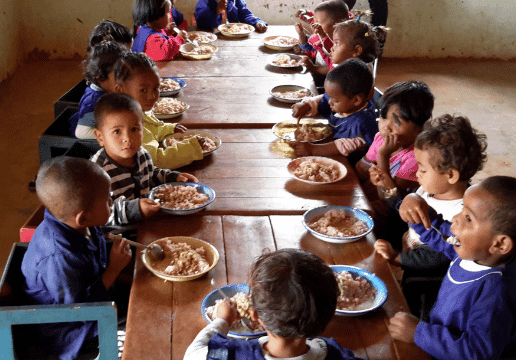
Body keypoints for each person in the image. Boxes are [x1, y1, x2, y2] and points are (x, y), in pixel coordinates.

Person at [387, 176, 516, 359]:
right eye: (462, 209)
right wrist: (416, 207)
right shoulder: (478, 251)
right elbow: (440, 233)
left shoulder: (495, 293)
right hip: (438, 334)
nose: (455, 218)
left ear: (500, 244)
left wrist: (419, 333)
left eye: (468, 218)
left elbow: (477, 352)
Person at [374, 114, 487, 316]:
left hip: (427, 282)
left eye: (423, 169)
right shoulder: (431, 189)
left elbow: (438, 256)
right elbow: (408, 209)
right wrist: (391, 189)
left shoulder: (462, 214)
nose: (417, 174)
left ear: (451, 175)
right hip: (407, 260)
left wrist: (397, 257)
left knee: (411, 313)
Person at [21, 156, 133, 360]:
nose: (112, 201)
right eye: (108, 200)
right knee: (136, 334)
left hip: (100, 301)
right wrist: (114, 269)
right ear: (84, 217)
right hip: (71, 332)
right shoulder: (58, 257)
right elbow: (79, 309)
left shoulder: (77, 223)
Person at [184, 249, 362, 360]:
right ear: (329, 314)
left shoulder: (231, 354)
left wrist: (223, 320)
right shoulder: (334, 353)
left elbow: (193, 353)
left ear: (255, 316)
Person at [90, 92, 198, 231]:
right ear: (100, 137)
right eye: (117, 132)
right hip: (120, 239)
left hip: (148, 223)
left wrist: (172, 177)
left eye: (134, 129)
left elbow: (151, 174)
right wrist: (135, 209)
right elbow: (99, 216)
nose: (128, 138)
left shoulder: (141, 153)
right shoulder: (96, 173)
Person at [355, 80, 434, 241]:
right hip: (365, 200)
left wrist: (383, 156)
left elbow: (387, 202)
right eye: (383, 117)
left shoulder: (416, 158)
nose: (386, 127)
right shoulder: (380, 138)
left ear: (419, 129)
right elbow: (359, 171)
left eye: (397, 122)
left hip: (390, 220)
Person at [112, 51, 206, 169]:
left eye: (156, 88)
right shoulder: (127, 127)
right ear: (120, 90)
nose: (152, 96)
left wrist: (169, 129)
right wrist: (191, 148)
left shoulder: (137, 110)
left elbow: (151, 129)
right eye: (143, 90)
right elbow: (156, 161)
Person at [291, 58, 379, 165]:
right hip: (331, 147)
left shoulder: (363, 121)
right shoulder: (346, 103)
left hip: (350, 167)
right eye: (330, 97)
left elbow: (344, 145)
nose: (330, 102)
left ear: (356, 100)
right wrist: (307, 105)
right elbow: (325, 99)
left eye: (335, 100)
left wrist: (312, 149)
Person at [300, 15, 388, 88]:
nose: (332, 48)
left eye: (337, 43)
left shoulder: (353, 77)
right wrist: (322, 36)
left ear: (357, 50)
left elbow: (332, 103)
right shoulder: (348, 62)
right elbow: (331, 62)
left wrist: (315, 104)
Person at [72, 41, 129, 139]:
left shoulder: (107, 89)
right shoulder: (94, 102)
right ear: (100, 78)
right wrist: (113, 135)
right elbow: (81, 133)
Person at [294, 0, 350, 74]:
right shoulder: (320, 36)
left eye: (318, 23)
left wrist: (313, 68)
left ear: (337, 24)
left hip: (329, 81)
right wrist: (301, 34)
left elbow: (337, 69)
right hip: (318, 75)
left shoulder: (344, 45)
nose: (313, 25)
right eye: (314, 22)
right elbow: (306, 46)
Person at [194, 0, 268, 33]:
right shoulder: (204, 1)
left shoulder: (235, 0)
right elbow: (201, 22)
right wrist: (216, 11)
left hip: (234, 39)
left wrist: (256, 22)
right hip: (214, 39)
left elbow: (244, 13)